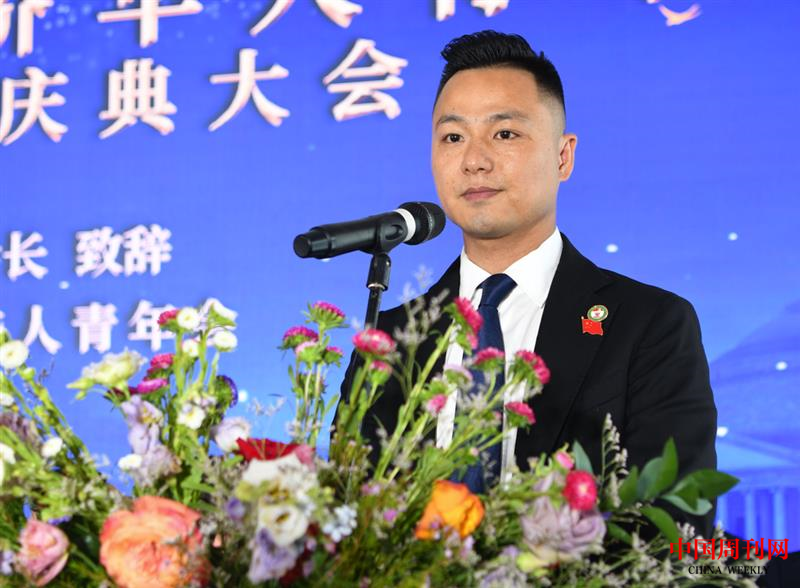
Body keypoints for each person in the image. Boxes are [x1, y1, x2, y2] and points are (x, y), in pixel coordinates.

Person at [338, 30, 717, 537]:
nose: (474, 159)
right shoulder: (388, 339)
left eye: (504, 134)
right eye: (453, 137)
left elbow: (675, 524)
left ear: (563, 157)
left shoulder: (649, 325)